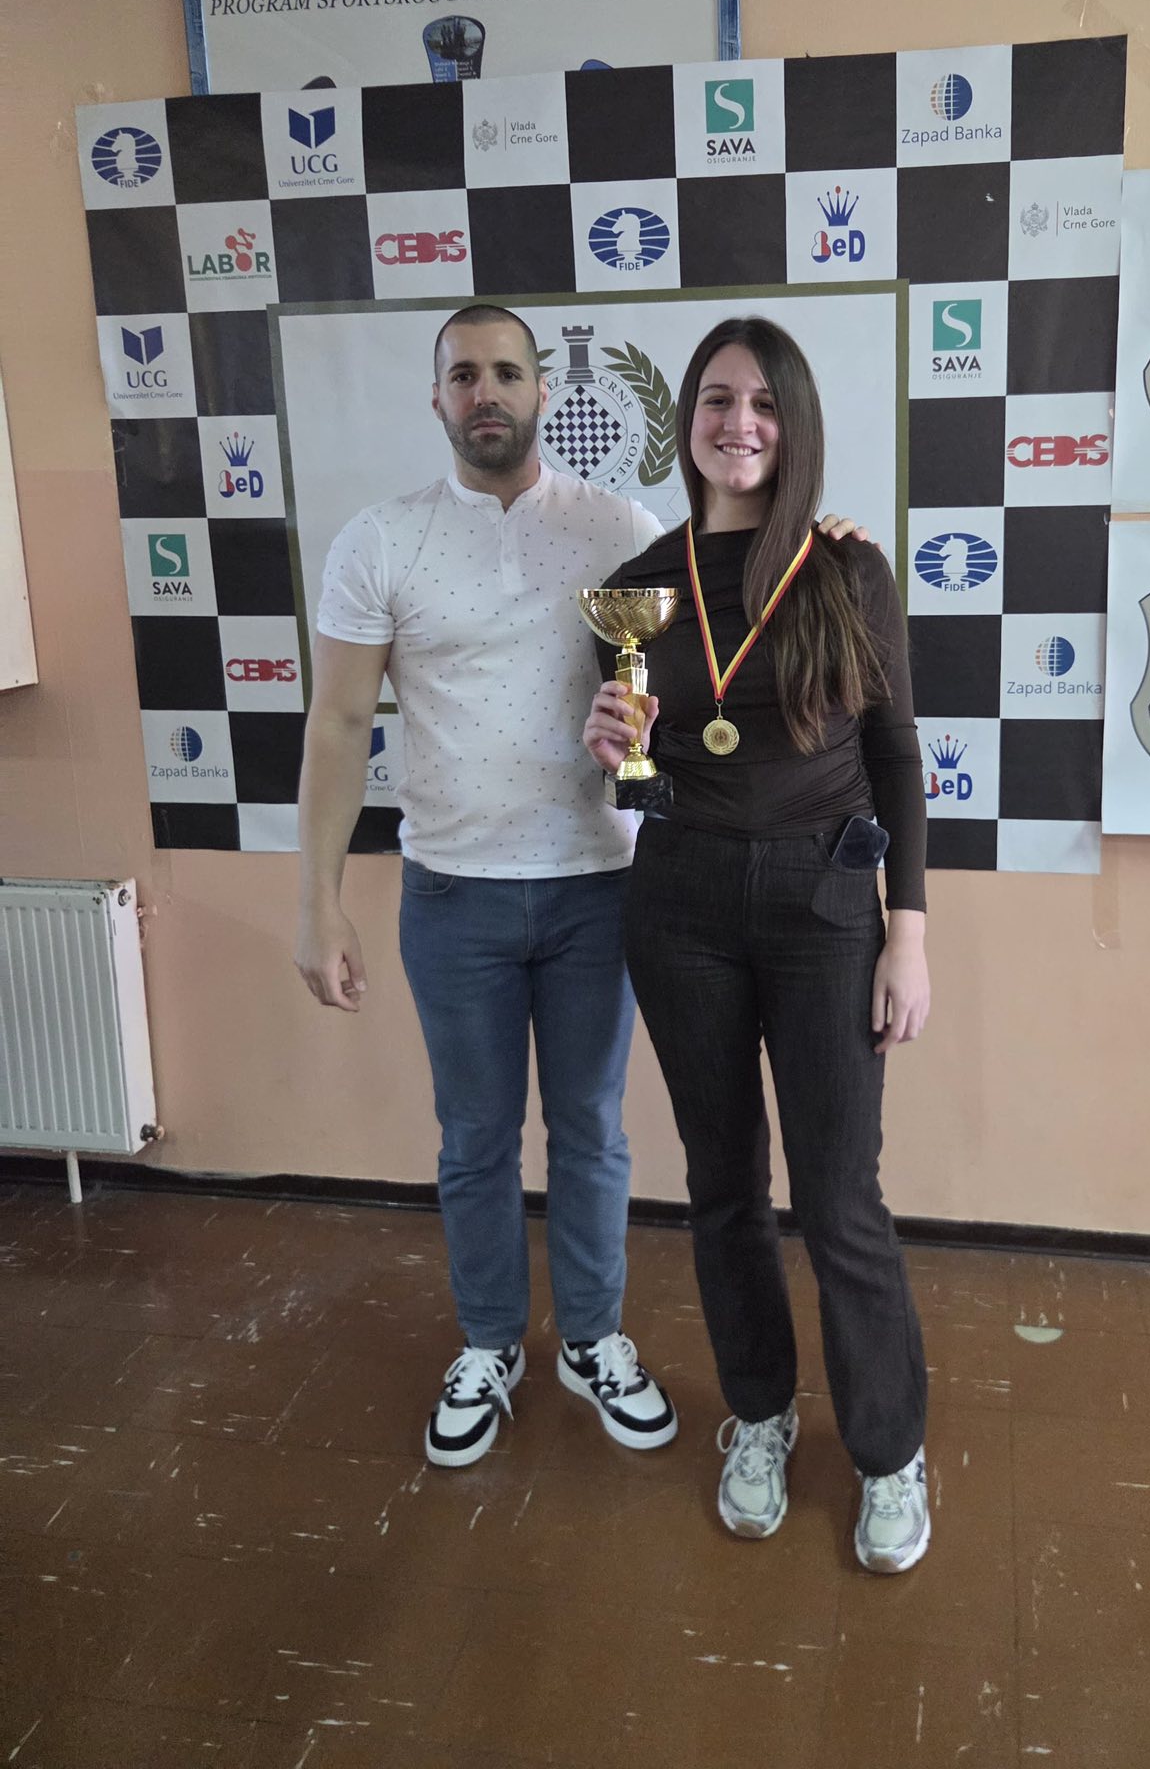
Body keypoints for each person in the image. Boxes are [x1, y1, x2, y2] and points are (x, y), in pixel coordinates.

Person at [293, 303, 863, 1472]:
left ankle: (593, 1338)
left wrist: (824, 535)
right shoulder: (380, 540)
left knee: (593, 1132)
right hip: (450, 893)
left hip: (601, 885)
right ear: (437, 395)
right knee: (474, 1138)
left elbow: (744, 603)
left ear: (543, 391)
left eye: (507, 371)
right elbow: (340, 723)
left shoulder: (621, 530)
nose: (486, 391)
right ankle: (491, 1341)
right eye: (464, 374)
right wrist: (319, 899)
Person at [582, 315, 933, 1573]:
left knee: (840, 1194)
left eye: (764, 403)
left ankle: (889, 1448)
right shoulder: (639, 583)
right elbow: (639, 781)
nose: (740, 423)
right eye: (718, 399)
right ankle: (762, 1412)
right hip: (680, 900)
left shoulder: (847, 569)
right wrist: (616, 747)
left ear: (795, 423)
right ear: (687, 419)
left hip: (824, 903)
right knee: (724, 1185)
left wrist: (908, 934)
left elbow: (895, 754)